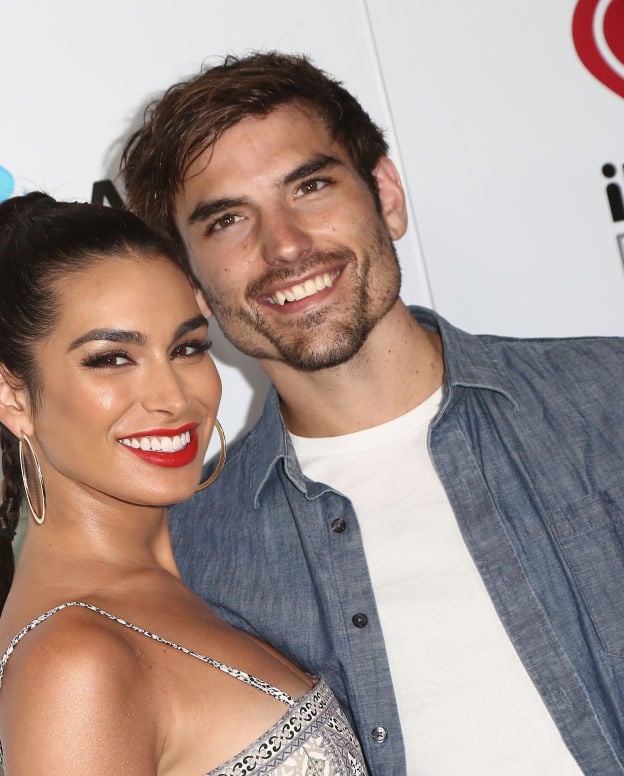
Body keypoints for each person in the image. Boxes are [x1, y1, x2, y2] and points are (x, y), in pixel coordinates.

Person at [120, 51, 624, 775]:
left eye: (311, 185)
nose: (285, 246)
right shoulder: (190, 552)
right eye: (228, 220)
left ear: (385, 193)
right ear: (190, 281)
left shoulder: (609, 396)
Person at [0, 193, 368, 775]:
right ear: (10, 394)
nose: (174, 397)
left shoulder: (183, 582)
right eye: (110, 359)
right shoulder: (75, 664)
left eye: (187, 348)